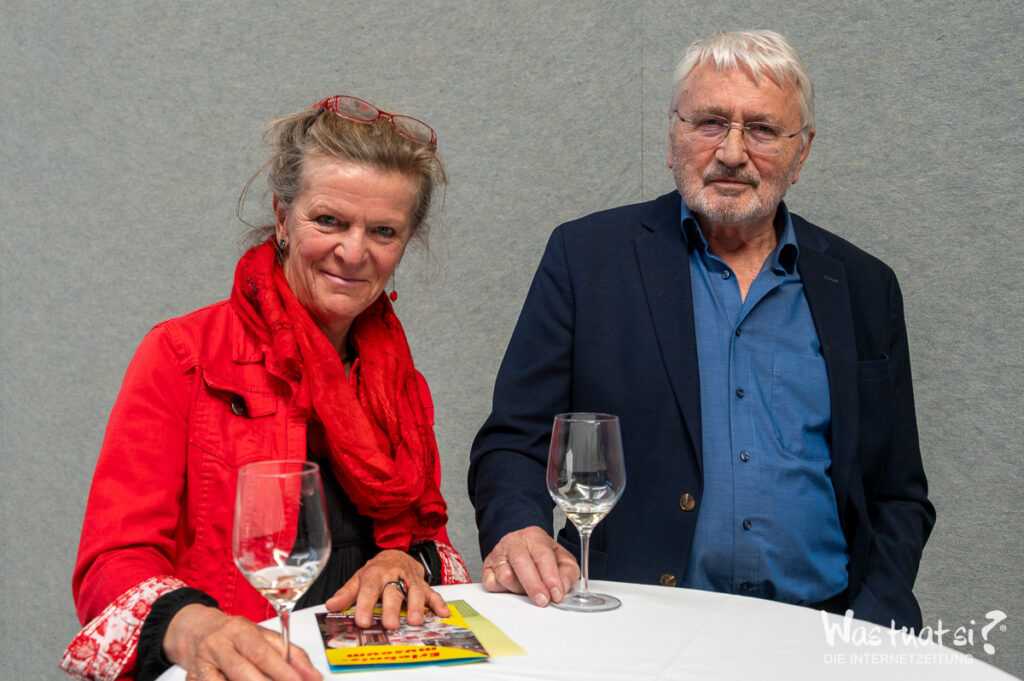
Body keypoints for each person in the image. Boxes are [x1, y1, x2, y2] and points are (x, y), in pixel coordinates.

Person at [468, 30, 935, 630]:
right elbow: (515, 440)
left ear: (802, 152)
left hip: (820, 629)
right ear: (674, 136)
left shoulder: (865, 286)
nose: (733, 152)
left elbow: (898, 492)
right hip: (631, 625)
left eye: (762, 130)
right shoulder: (587, 259)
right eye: (711, 123)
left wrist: (872, 619)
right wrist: (519, 528)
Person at [62, 94, 469, 681]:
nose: (353, 252)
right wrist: (195, 627)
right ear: (282, 218)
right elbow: (111, 562)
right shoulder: (182, 354)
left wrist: (407, 564)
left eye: (383, 231)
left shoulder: (399, 381)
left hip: (374, 665)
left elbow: (427, 536)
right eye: (328, 221)